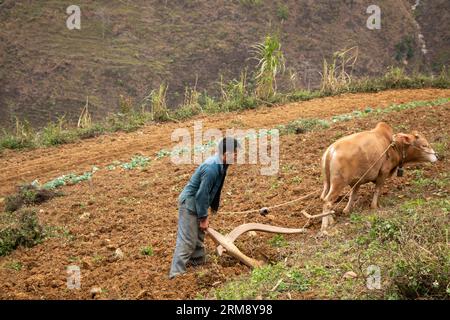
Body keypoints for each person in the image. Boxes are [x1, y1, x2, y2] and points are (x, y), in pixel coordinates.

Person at [169, 137, 240, 279]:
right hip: (190, 203)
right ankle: (176, 274)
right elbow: (201, 195)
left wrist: (207, 211)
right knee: (188, 240)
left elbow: (208, 193)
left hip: (198, 203)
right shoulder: (212, 168)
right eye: (235, 154)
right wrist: (203, 217)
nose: (237, 157)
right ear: (226, 153)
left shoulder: (222, 164)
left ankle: (197, 262)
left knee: (199, 235)